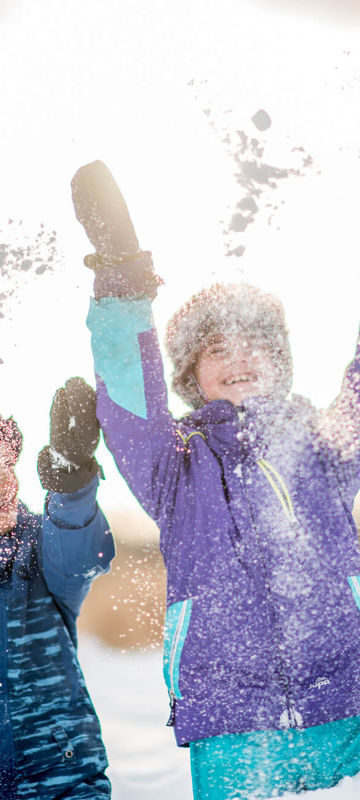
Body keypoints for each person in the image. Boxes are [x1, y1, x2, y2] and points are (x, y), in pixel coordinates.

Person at [72, 160, 360, 799]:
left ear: (281, 362)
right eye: (217, 349)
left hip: (348, 701)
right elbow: (128, 397)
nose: (239, 359)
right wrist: (121, 278)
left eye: (255, 344)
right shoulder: (175, 463)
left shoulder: (324, 444)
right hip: (231, 726)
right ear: (191, 375)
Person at [0, 377, 114, 800]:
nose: (5, 482)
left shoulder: (39, 552)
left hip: (63, 781)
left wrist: (70, 482)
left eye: (8, 465)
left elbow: (84, 557)